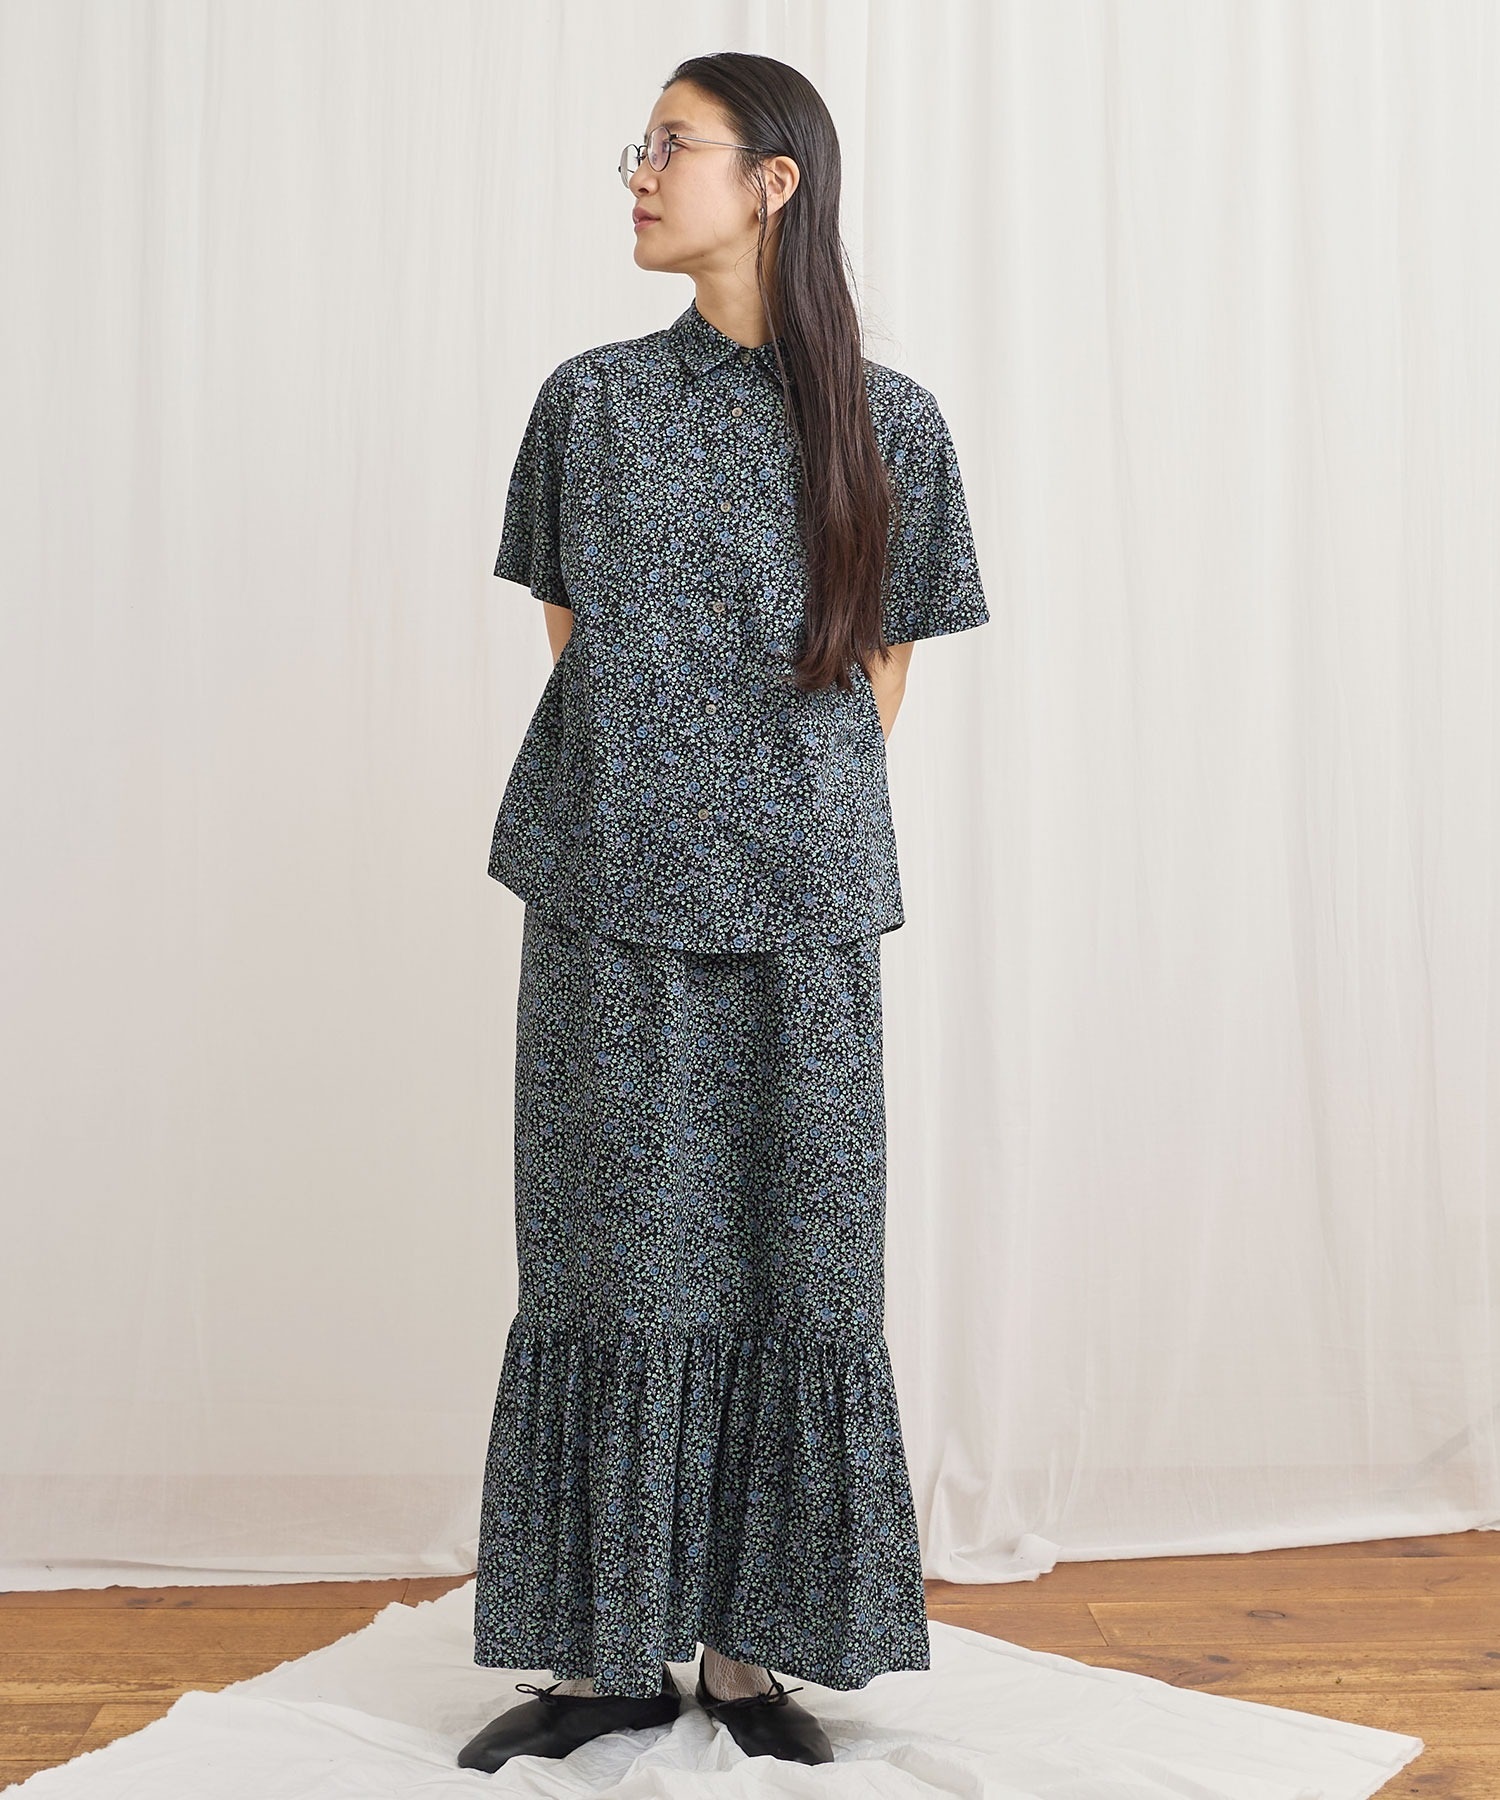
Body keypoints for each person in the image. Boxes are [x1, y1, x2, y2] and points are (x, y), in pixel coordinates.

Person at [458, 49, 989, 1774]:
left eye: (669, 146)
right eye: (640, 146)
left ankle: (751, 1658)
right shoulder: (589, 404)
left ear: (773, 181)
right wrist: (666, 790)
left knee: (795, 1259)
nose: (637, 172)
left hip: (806, 905)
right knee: (608, 1259)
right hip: (605, 891)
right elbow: (575, 627)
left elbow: (886, 657)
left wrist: (774, 813)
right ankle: (608, 1657)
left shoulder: (893, 422)